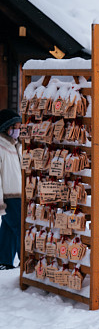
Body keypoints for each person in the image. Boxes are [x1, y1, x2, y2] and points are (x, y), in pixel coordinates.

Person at [0, 108, 22, 270]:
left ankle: (4, 260)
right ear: (6, 128)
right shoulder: (1, 147)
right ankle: (27, 261)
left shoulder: (15, 145)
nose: (17, 130)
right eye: (15, 126)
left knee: (8, 229)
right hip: (8, 197)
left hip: (19, 195)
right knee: (20, 229)